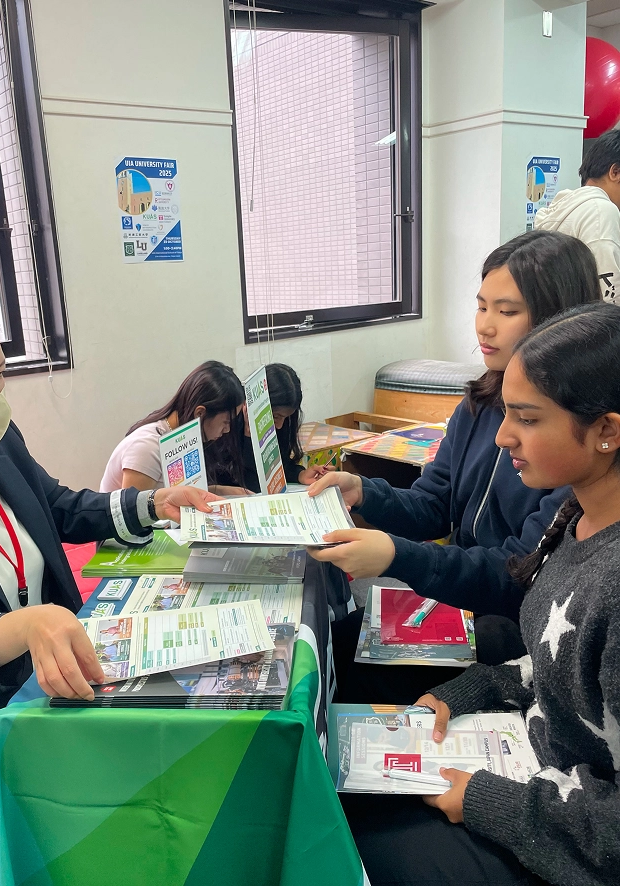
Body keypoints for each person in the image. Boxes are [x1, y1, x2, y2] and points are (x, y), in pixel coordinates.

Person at [0, 285, 217, 853]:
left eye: (0, 375)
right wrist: (25, 626)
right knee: (131, 807)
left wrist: (151, 504)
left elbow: (57, 506)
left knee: (184, 755)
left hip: (53, 681)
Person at [344, 301, 620, 886]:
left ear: (606, 431)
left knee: (365, 837)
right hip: (534, 759)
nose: (502, 436)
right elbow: (555, 668)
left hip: (566, 825)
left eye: (527, 418)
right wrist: (474, 688)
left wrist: (487, 802)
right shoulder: (577, 517)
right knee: (349, 784)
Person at [307, 230, 601, 696]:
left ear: (558, 322)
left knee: (349, 666)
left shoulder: (575, 443)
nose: (485, 326)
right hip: (455, 596)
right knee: (328, 648)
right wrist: (365, 491)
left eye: (507, 312)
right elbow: (433, 503)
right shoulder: (479, 403)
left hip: (508, 626)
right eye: (481, 306)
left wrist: (397, 555)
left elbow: (519, 573)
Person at [99, 360, 245, 493]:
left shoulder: (183, 438)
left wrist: (225, 492)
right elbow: (134, 517)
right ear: (200, 413)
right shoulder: (147, 449)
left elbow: (184, 491)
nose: (227, 430)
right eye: (226, 422)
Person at [208, 363, 329, 492]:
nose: (280, 425)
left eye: (286, 417)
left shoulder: (282, 425)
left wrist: (299, 474)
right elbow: (249, 482)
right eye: (276, 416)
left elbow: (278, 465)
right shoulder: (226, 426)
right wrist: (249, 438)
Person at [535, 129, 620, 303]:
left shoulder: (566, 207)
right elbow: (608, 293)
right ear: (615, 172)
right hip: (589, 326)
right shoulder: (601, 210)